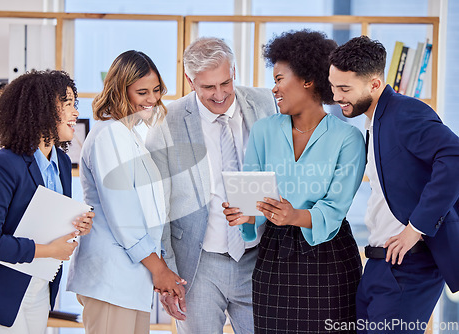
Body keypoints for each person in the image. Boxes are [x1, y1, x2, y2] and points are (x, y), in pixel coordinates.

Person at [223, 30, 365, 334]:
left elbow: (335, 208)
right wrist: (246, 215)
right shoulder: (264, 131)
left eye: (279, 79)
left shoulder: (348, 139)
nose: (273, 89)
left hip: (329, 257)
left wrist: (294, 215)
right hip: (275, 256)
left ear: (307, 80)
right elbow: (254, 196)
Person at [145, 37, 277, 333]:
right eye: (208, 88)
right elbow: (157, 208)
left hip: (259, 256)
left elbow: (284, 171)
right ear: (190, 81)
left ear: (234, 73)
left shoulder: (266, 103)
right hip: (198, 263)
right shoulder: (167, 123)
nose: (219, 95)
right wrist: (167, 274)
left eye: (225, 83)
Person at [329, 35, 459, 334]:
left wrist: (417, 228)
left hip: (409, 267)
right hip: (379, 263)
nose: (336, 96)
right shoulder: (375, 122)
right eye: (333, 86)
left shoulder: (405, 113)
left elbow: (454, 157)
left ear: (374, 85)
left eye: (345, 88)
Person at [0, 70, 94, 333]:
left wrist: (77, 225)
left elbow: (44, 221)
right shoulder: (3, 165)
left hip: (38, 287)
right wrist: (50, 251)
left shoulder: (63, 162)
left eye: (73, 104)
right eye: (66, 104)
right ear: (40, 109)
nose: (74, 112)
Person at [66, 50, 185, 334]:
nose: (152, 99)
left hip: (130, 279)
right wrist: (160, 270)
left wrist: (157, 269)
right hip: (111, 279)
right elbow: (124, 216)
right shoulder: (109, 135)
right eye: (142, 91)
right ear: (121, 91)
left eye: (156, 90)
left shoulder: (130, 135)